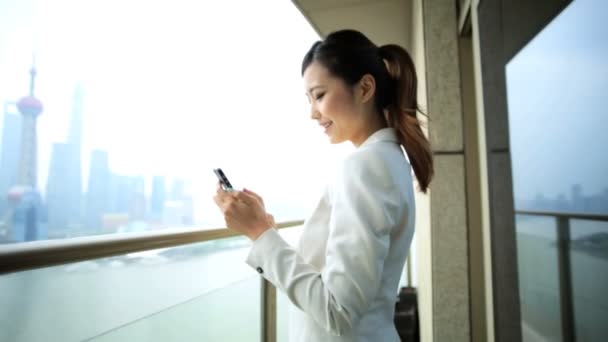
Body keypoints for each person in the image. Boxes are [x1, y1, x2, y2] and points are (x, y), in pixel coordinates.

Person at [214, 29, 433, 342]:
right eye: (309, 99)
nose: (313, 113)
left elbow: (338, 311)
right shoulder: (386, 159)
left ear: (365, 88)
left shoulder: (365, 167)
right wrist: (266, 231)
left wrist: (258, 234)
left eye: (319, 95)